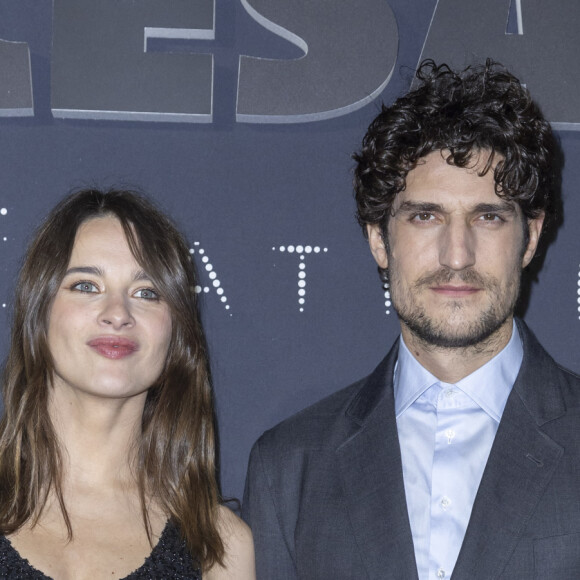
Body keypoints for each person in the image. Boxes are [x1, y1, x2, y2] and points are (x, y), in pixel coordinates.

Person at [242, 60, 580, 579]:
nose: (457, 255)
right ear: (379, 239)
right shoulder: (289, 468)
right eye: (426, 216)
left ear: (530, 237)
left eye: (487, 217)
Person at [0, 189, 255, 579]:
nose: (118, 314)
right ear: (39, 313)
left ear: (176, 336)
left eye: (146, 293)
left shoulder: (217, 544)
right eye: (86, 286)